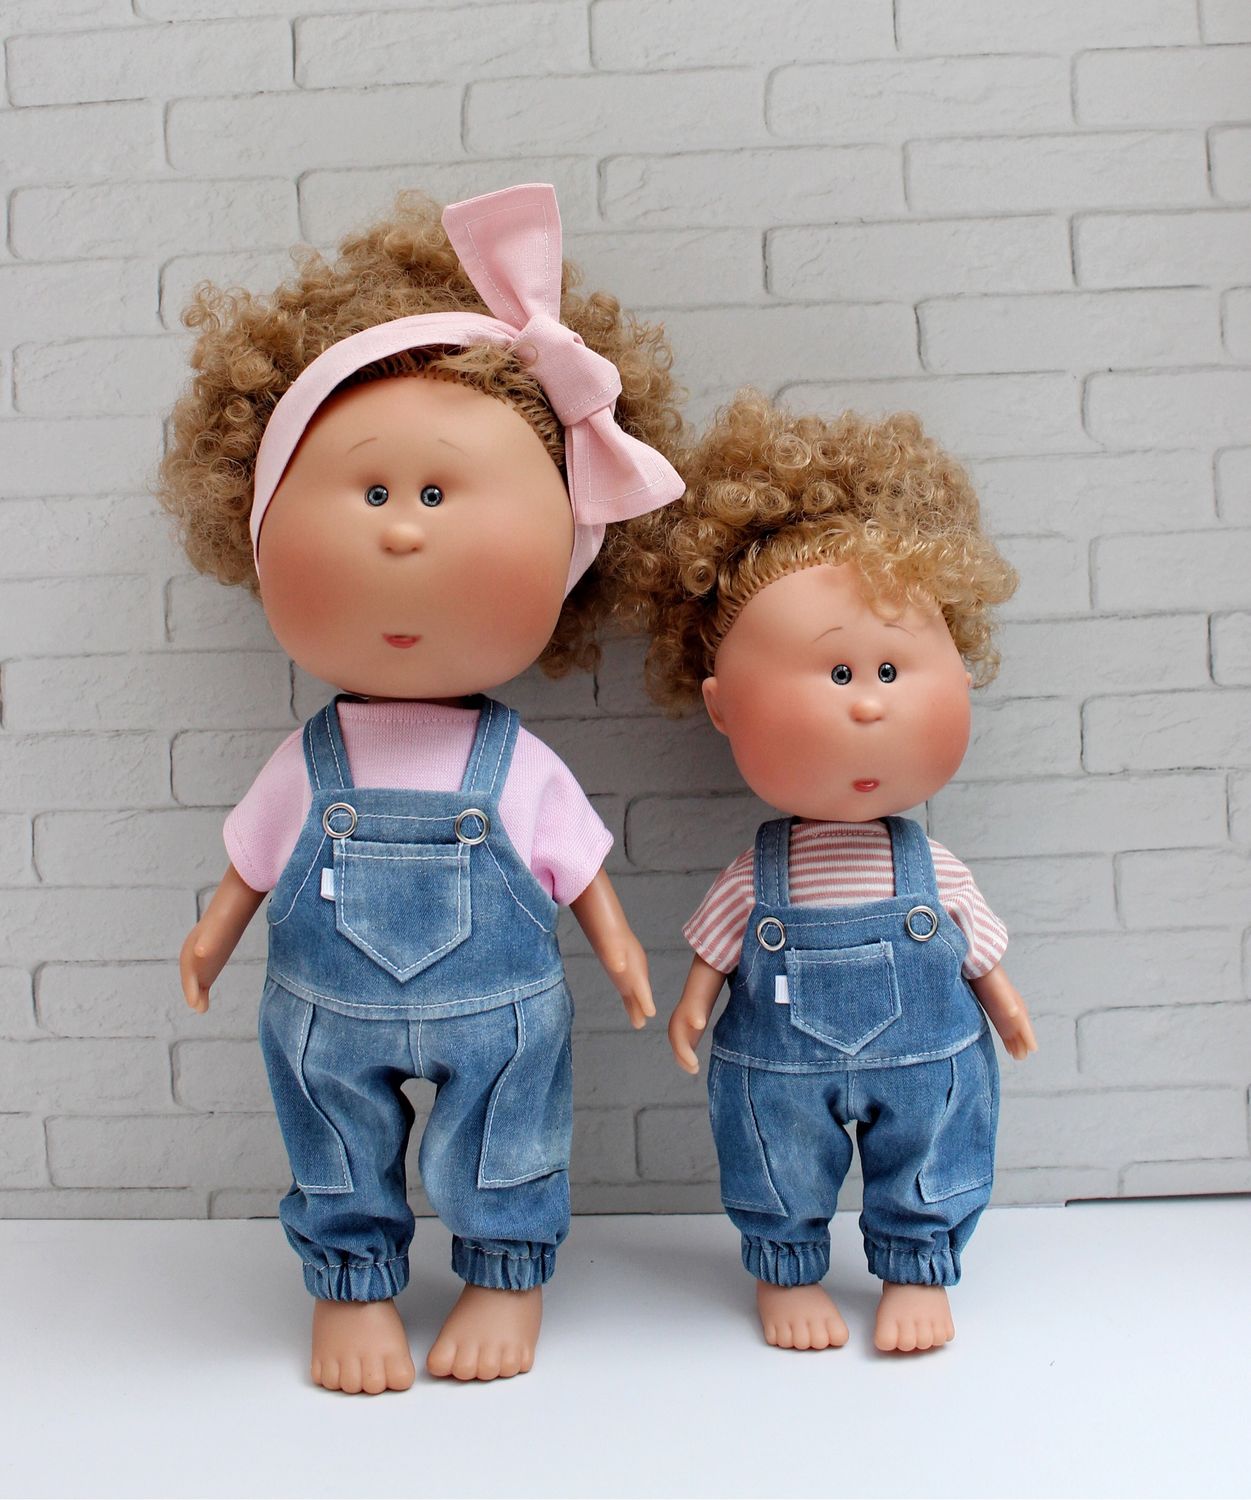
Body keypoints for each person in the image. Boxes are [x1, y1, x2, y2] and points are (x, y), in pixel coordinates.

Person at [158, 183, 684, 1391]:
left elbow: (579, 871)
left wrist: (621, 949)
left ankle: (505, 1276)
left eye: (439, 494)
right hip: (324, 1012)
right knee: (332, 1134)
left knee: (507, 1132)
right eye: (373, 492)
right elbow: (251, 864)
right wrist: (210, 936)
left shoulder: (520, 766)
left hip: (499, 1011)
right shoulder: (306, 765)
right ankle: (350, 1286)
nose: (402, 533)